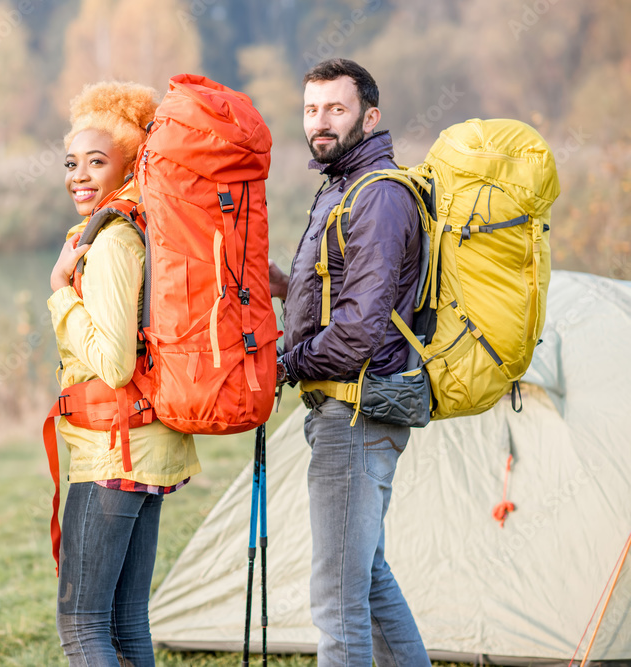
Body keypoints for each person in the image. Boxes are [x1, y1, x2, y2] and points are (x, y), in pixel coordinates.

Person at [269, 59, 430, 666]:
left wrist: (287, 363)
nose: (321, 123)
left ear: (370, 115)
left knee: (337, 602)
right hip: (346, 408)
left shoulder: (379, 195)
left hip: (357, 411)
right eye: (312, 110)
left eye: (336, 109)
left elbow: (361, 328)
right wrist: (288, 289)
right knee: (367, 578)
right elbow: (350, 295)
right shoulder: (341, 185)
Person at [47, 81, 201, 666]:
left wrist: (61, 293)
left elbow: (112, 362)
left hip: (113, 453)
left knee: (83, 626)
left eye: (96, 162)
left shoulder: (112, 242)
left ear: (130, 161)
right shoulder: (145, 224)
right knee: (125, 619)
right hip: (144, 446)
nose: (78, 176)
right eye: (71, 162)